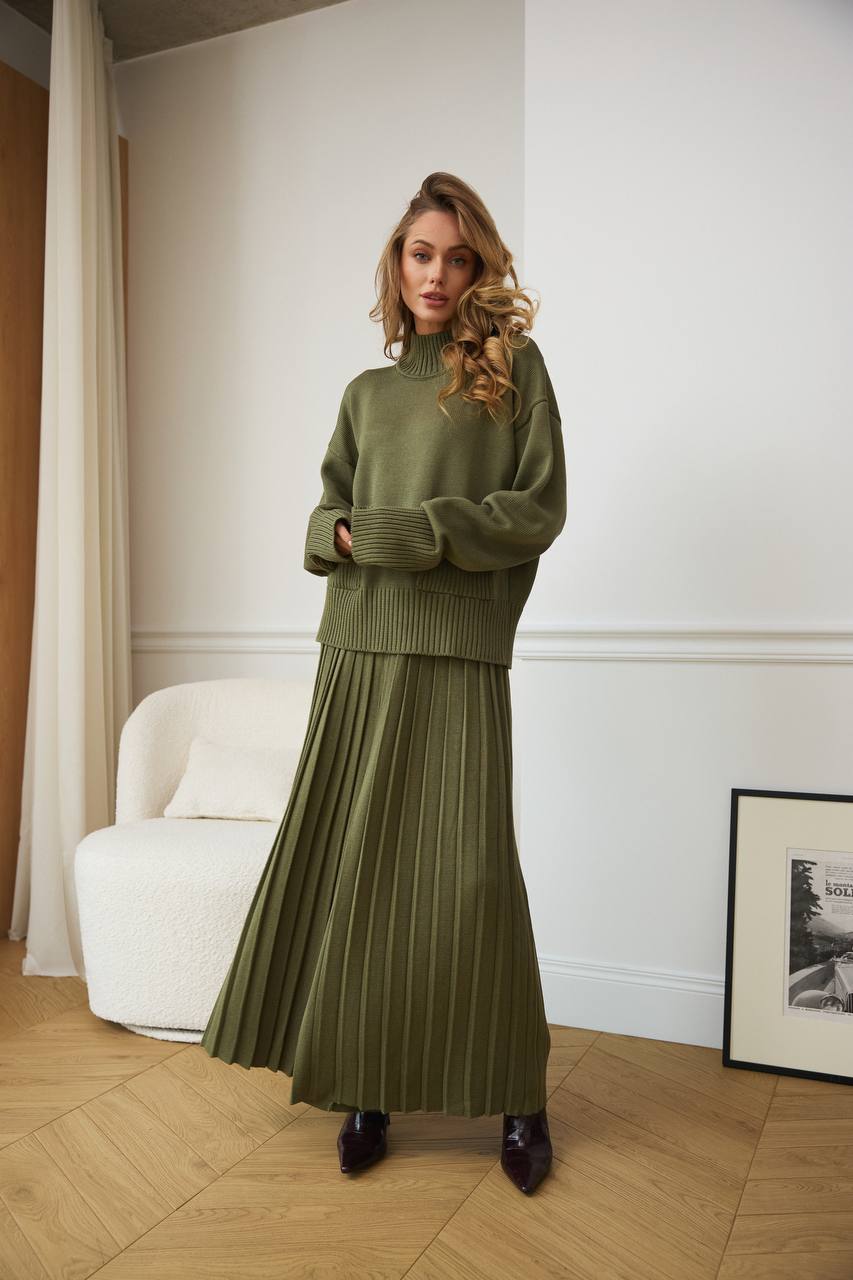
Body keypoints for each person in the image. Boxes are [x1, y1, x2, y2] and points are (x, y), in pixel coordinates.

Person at [200, 172, 567, 1196]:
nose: (437, 273)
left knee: (470, 878)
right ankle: (364, 1081)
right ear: (395, 263)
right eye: (419, 252)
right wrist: (352, 533)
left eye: (456, 255)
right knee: (360, 874)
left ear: (479, 265)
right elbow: (322, 523)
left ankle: (518, 1092)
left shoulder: (513, 373)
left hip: (456, 650)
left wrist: (410, 534)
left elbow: (535, 509)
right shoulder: (366, 394)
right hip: (358, 647)